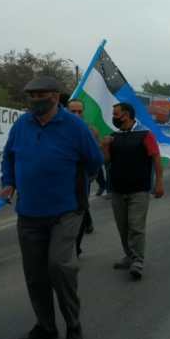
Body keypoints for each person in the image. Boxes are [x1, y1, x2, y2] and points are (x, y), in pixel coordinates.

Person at [1, 77, 103, 339]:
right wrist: (8, 181)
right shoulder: (22, 124)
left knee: (60, 266)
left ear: (56, 97)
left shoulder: (75, 127)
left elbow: (94, 160)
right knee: (35, 275)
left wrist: (78, 184)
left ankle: (73, 324)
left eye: (40, 94)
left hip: (65, 211)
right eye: (31, 95)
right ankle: (45, 326)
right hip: (29, 213)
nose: (35, 99)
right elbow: (8, 156)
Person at [103, 102, 165, 280]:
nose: (114, 117)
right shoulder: (113, 136)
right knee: (123, 227)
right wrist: (105, 146)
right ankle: (129, 256)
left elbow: (156, 159)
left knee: (136, 227)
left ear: (127, 115)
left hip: (139, 190)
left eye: (116, 114)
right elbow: (106, 161)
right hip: (117, 189)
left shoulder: (145, 134)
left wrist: (159, 182)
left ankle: (138, 261)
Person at [66, 98, 100, 256]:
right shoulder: (55, 129)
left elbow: (96, 157)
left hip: (82, 179)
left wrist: (90, 176)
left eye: (79, 111)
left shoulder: (90, 131)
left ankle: (76, 247)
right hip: (61, 181)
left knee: (79, 210)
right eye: (73, 111)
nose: (76, 114)